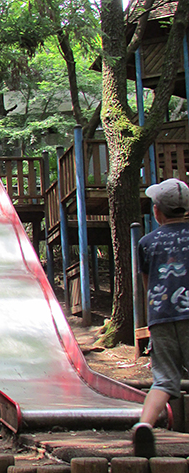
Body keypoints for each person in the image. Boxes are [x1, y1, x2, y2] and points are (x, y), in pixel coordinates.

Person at [135, 177, 189, 458]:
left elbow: (148, 283)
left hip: (161, 316)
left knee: (164, 380)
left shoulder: (146, 242)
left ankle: (145, 424)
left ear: (156, 211)